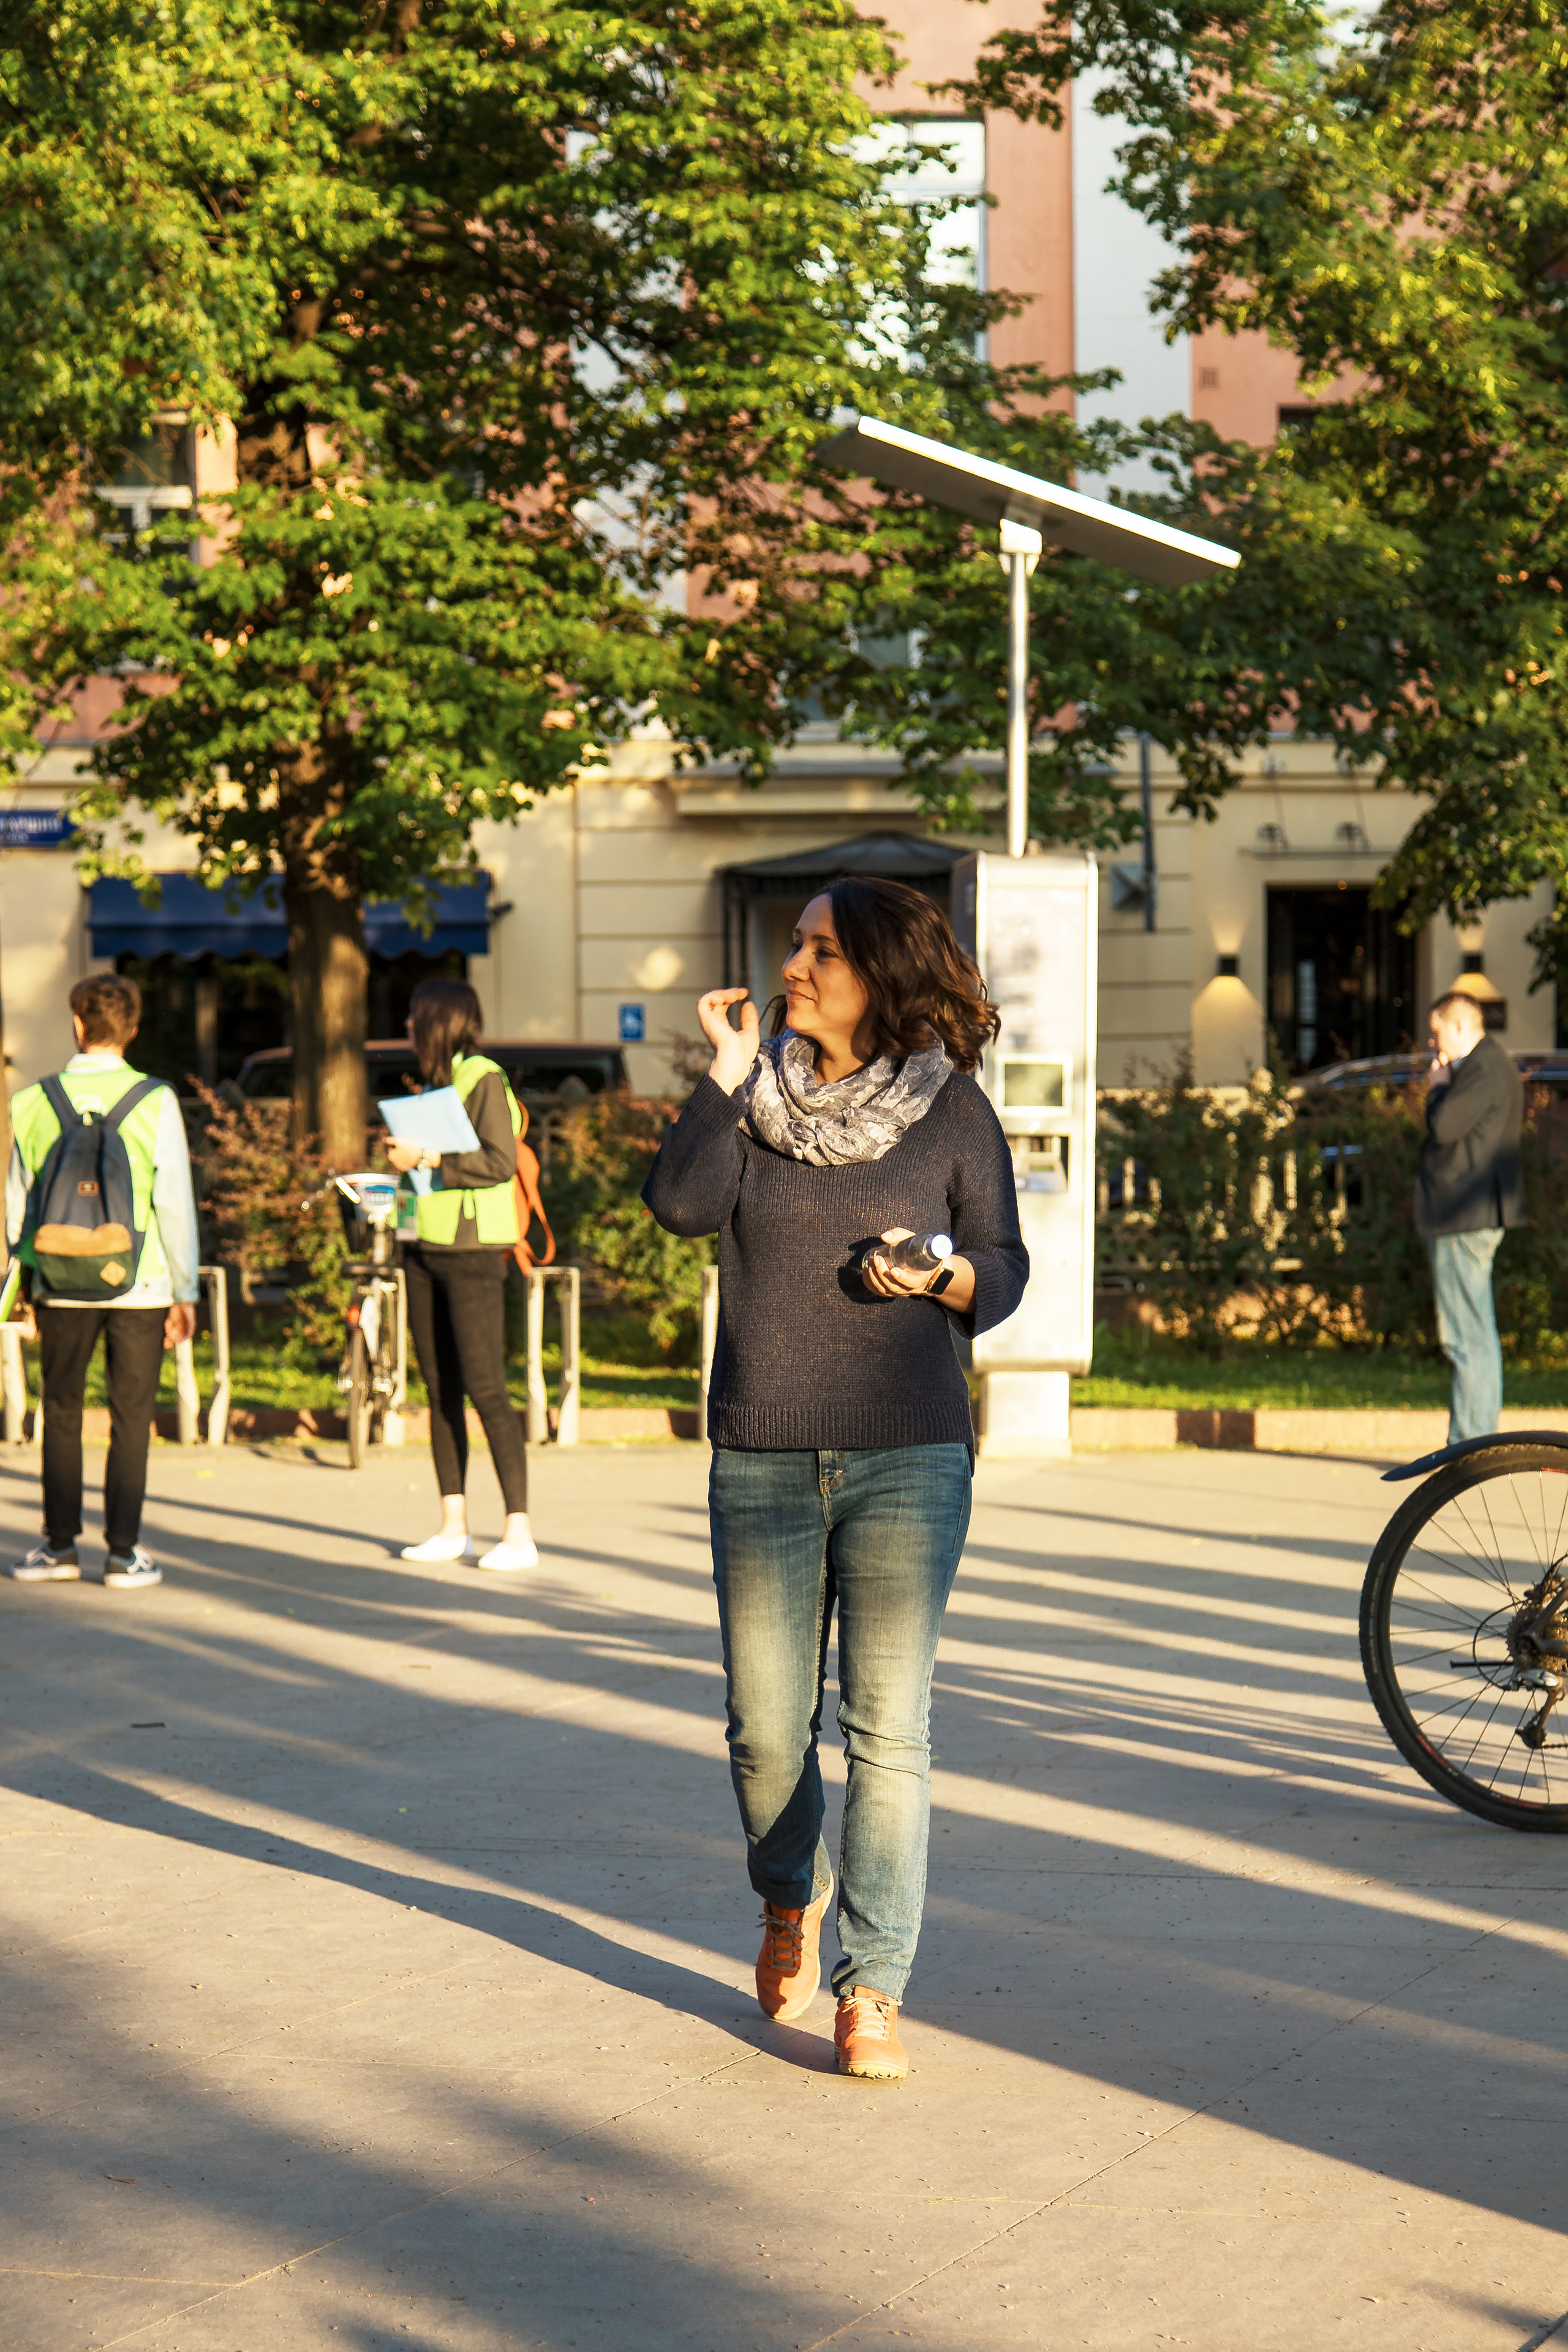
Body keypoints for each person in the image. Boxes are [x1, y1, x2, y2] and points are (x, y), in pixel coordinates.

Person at [643, 876, 1027, 2081]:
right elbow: (675, 1203)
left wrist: (942, 1278)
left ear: (879, 972)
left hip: (907, 1450)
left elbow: (1004, 1268)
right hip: (759, 1449)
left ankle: (872, 1989)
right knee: (764, 1729)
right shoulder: (749, 1107)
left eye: (819, 950)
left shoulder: (953, 1112)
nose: (793, 965)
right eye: (793, 945)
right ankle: (781, 1895)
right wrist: (721, 1068)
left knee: (889, 1730)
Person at [4, 973, 198, 1591]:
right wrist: (185, 1291)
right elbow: (173, 1204)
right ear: (132, 1029)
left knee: (60, 1411)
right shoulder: (155, 1100)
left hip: (58, 1279)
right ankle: (123, 1553)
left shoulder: (32, 1102)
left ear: (77, 1025)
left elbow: (15, 1209)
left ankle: (59, 1549)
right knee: (130, 1414)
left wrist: (21, 1286)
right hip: (140, 1284)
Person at [385, 978, 537, 1570]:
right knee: (440, 1390)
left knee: (486, 1389)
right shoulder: (434, 1083)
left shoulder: (483, 1078)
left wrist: (424, 1157)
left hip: (472, 1251)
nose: (405, 1028)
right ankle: (453, 1526)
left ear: (438, 1022)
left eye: (412, 1017)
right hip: (423, 1244)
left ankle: (518, 1533)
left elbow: (498, 1162)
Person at [1415, 987, 1525, 1444]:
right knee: (1475, 1333)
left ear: (1459, 1025)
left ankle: (1469, 1444)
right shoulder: (1491, 1064)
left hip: (1465, 1216)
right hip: (1473, 1214)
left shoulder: (1481, 1068)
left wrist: (1438, 1090)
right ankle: (1475, 1438)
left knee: (1466, 1337)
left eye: (1437, 1032)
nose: (1432, 1044)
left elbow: (1444, 1128)